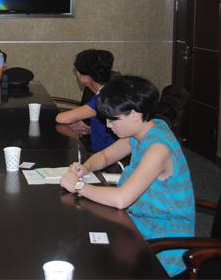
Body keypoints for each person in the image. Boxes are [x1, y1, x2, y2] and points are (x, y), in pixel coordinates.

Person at [59, 76, 195, 277]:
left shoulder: (158, 148)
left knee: (90, 259)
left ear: (135, 114)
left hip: (163, 245)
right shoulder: (145, 129)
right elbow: (105, 156)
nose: (108, 125)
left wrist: (78, 186)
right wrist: (85, 168)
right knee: (80, 241)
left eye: (113, 119)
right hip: (136, 225)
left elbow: (121, 199)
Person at [55, 49, 117, 152]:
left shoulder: (103, 99)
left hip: (106, 155)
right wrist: (90, 130)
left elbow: (62, 118)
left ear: (85, 77)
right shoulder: (112, 91)